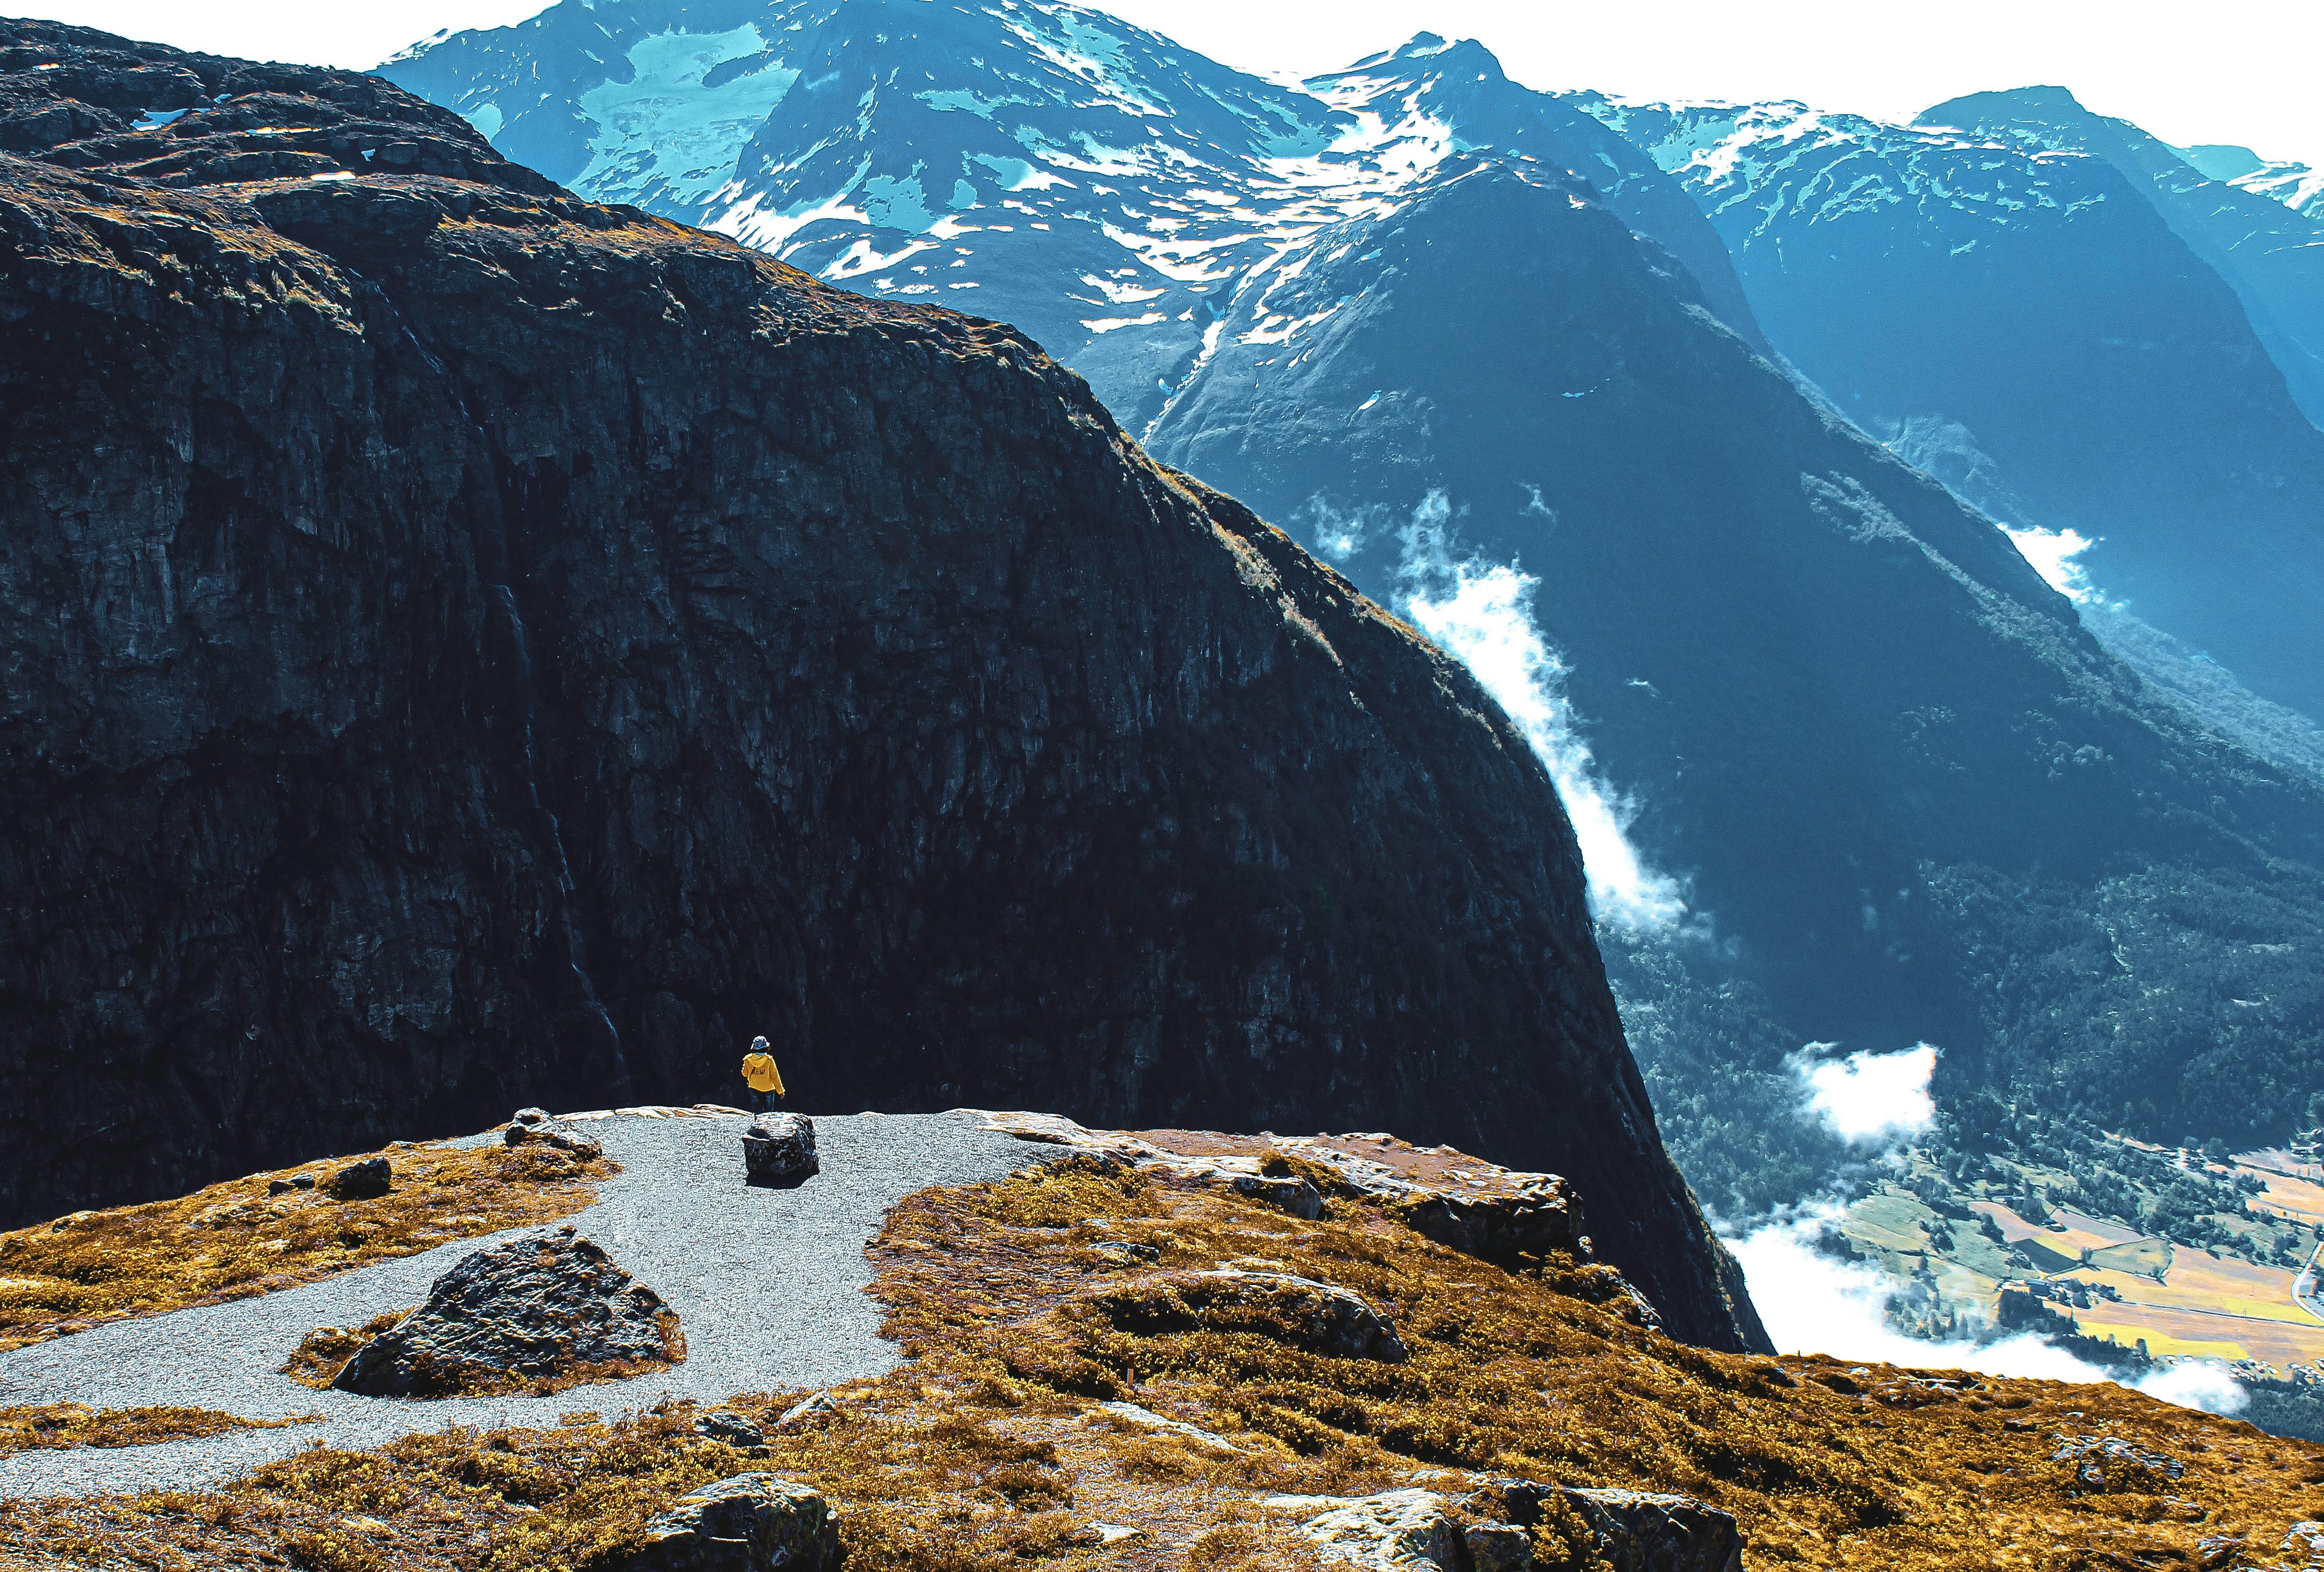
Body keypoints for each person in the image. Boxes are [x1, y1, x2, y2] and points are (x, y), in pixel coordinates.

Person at [740, 1036, 785, 1113]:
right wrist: (781, 1091)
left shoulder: (748, 1060)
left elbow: (745, 1074)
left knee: (758, 1113)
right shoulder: (769, 1060)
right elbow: (775, 1077)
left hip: (754, 1088)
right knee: (768, 1114)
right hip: (768, 1090)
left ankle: (758, 1124)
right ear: (766, 1048)